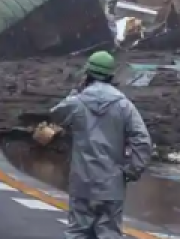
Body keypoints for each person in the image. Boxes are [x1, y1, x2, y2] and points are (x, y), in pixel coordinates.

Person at [50, 51, 152, 239]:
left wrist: (76, 91)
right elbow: (142, 140)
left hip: (82, 182)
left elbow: (56, 115)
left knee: (78, 232)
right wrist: (132, 170)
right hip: (111, 185)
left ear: (87, 74)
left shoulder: (77, 102)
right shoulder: (123, 105)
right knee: (110, 234)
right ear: (111, 76)